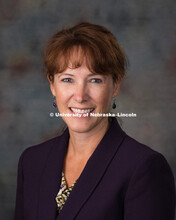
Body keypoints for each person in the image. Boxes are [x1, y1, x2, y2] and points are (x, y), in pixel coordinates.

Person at [14, 22, 175, 220]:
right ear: (52, 85)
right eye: (67, 79)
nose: (80, 96)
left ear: (116, 85)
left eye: (95, 80)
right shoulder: (31, 162)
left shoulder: (144, 168)